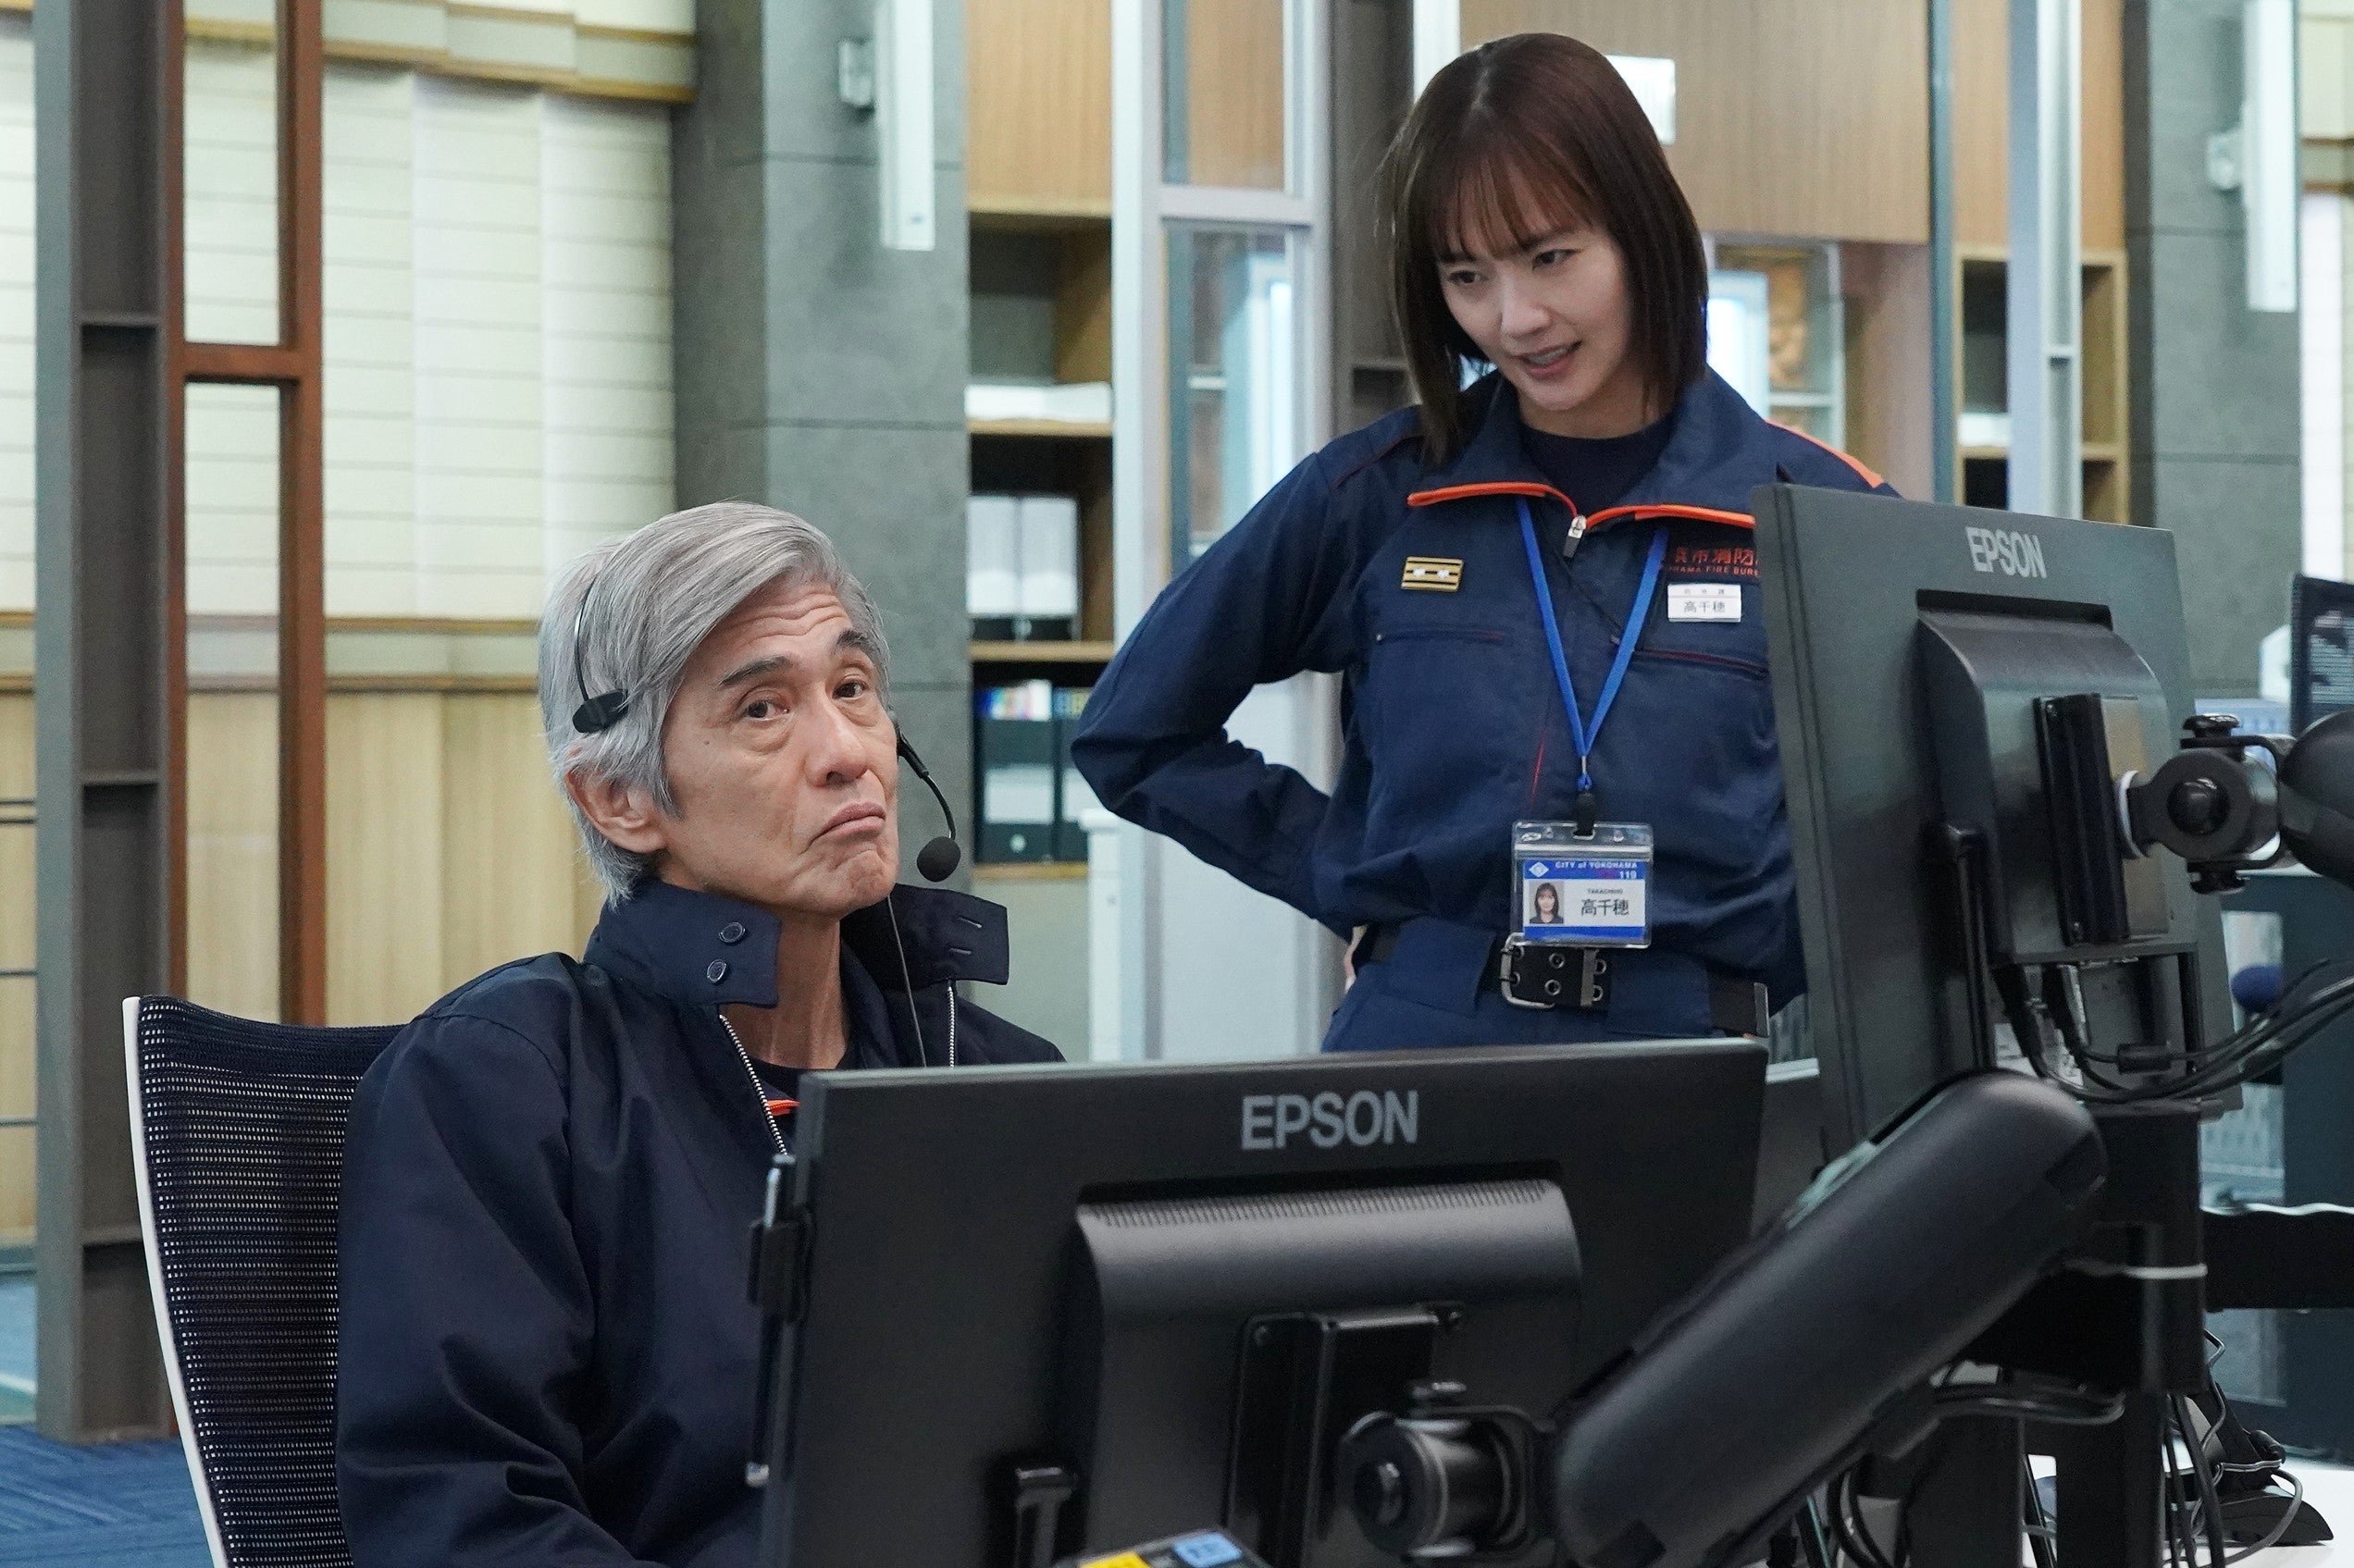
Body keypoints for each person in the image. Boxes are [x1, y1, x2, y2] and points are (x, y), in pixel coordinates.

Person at [1072, 32, 1895, 1053]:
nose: (1516, 318)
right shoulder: (1377, 496)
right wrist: (1341, 870)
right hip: (1427, 1035)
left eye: (1551, 258)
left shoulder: (1818, 513)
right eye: (1467, 276)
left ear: (1642, 229)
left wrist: (1792, 949)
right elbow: (1134, 730)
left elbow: (1917, 821)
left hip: (1702, 1046)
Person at [335, 503, 1060, 1568]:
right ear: (620, 798)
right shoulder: (509, 1079)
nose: (846, 753)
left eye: (853, 688)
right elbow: (463, 1521)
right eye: (764, 708)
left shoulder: (995, 1075)